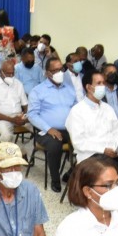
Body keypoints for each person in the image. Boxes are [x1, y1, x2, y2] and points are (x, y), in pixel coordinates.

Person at [27, 56, 76, 192]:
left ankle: (71, 172)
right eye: (55, 71)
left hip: (69, 129)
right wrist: (49, 129)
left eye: (61, 69)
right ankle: (55, 179)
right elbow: (32, 115)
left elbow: (77, 108)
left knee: (87, 142)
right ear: (47, 73)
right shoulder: (38, 91)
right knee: (55, 145)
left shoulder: (69, 89)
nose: (59, 73)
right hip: (46, 131)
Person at [66, 69, 118, 163]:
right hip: (90, 156)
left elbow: (116, 131)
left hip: (112, 154)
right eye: (99, 83)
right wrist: (103, 150)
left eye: (103, 83)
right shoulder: (77, 111)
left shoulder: (108, 108)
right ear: (89, 87)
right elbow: (78, 142)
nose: (103, 86)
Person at [0, 59, 28, 145]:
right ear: (1, 72)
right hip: (2, 119)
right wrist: (12, 119)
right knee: (7, 136)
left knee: (40, 128)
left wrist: (25, 117)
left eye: (13, 73)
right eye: (8, 74)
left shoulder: (18, 84)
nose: (11, 76)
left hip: (19, 117)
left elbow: (25, 105)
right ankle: (6, 152)